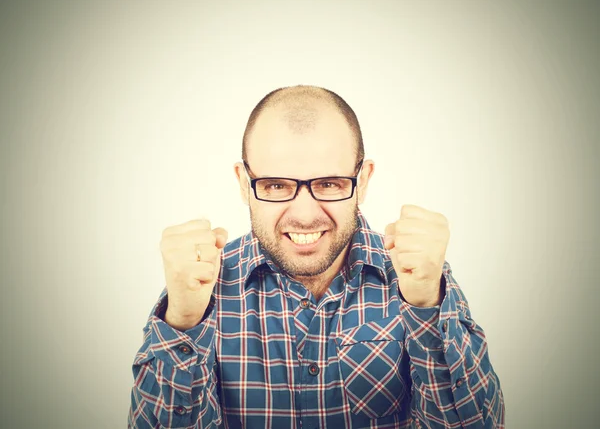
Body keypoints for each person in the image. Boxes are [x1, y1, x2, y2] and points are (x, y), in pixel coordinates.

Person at [128, 85, 505, 428]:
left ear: (364, 181)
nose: (305, 213)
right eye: (276, 185)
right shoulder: (200, 289)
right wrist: (184, 322)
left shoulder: (416, 277)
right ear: (245, 184)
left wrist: (426, 306)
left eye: (329, 184)